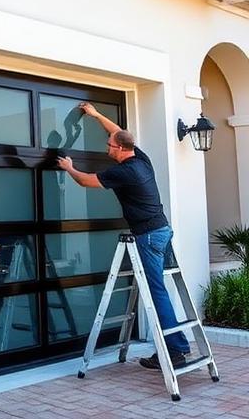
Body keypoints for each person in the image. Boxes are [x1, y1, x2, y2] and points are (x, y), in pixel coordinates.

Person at [56, 102, 191, 370]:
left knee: (156, 294)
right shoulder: (140, 158)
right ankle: (179, 345)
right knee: (160, 291)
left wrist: (69, 167)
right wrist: (95, 116)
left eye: (109, 145)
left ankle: (175, 350)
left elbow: (86, 181)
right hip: (162, 229)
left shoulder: (124, 171)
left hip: (150, 236)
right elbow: (118, 130)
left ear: (120, 149)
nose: (107, 148)